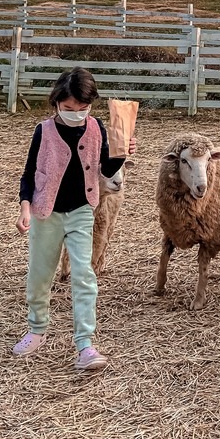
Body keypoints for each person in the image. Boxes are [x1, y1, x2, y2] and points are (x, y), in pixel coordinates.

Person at [13, 67, 136, 369]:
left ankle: (85, 344)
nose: (76, 114)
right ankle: (36, 329)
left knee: (84, 275)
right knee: (40, 276)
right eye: (69, 109)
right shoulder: (43, 131)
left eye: (83, 109)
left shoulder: (96, 128)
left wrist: (122, 153)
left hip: (82, 211)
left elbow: (106, 169)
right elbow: (29, 174)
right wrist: (25, 207)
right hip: (46, 213)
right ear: (56, 102)